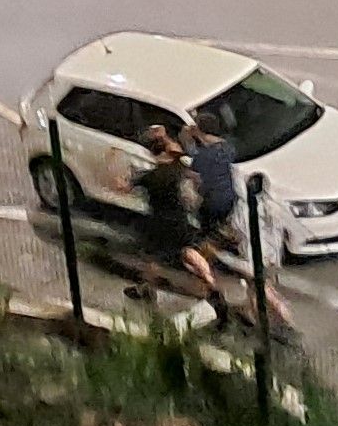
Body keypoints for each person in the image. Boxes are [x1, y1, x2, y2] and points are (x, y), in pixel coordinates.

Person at [182, 113, 291, 328]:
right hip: (257, 243)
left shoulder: (203, 158)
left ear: (200, 131)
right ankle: (265, 318)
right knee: (257, 284)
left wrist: (189, 139)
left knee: (254, 281)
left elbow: (194, 180)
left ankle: (278, 321)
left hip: (229, 229)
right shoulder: (229, 150)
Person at [119, 126, 220, 309]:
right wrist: (164, 137)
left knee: (152, 257)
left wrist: (122, 175)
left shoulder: (150, 176)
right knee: (188, 251)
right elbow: (177, 151)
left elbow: (123, 188)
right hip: (179, 218)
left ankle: (145, 289)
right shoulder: (178, 168)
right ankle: (211, 283)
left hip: (160, 222)